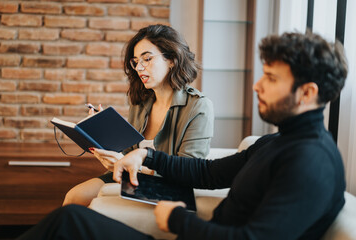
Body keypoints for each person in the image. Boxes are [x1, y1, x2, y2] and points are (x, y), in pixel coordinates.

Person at [18, 31, 348, 240]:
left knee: (70, 222)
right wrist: (145, 154)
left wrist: (176, 218)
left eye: (272, 78)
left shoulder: (310, 162)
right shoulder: (276, 143)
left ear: (307, 93)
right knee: (70, 218)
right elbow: (207, 172)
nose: (257, 85)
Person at [62, 24, 214, 206]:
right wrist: (104, 134)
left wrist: (133, 166)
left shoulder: (199, 106)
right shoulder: (141, 102)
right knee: (74, 196)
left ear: (172, 59)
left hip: (166, 187)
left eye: (147, 59)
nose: (139, 67)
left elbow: (189, 171)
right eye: (135, 62)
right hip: (131, 177)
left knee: (94, 204)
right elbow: (127, 153)